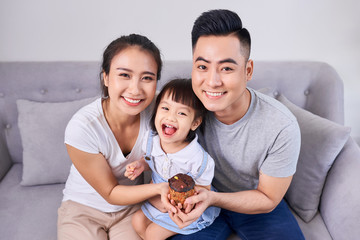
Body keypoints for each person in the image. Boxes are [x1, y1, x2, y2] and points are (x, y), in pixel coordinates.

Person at [169, 9, 305, 240]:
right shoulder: (182, 108)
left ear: (248, 70)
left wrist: (213, 198)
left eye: (227, 68)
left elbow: (268, 198)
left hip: (254, 201)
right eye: (202, 67)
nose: (212, 82)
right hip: (198, 199)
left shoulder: (281, 126)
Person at [57, 34, 175, 240]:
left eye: (147, 78)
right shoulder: (83, 127)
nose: (135, 89)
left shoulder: (161, 111)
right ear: (106, 77)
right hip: (83, 210)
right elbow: (110, 192)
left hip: (131, 208)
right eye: (124, 75)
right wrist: (158, 189)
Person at [124, 78, 220, 240]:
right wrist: (141, 165)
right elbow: (150, 161)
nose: (171, 117)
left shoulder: (198, 159)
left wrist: (183, 206)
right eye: (165, 108)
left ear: (195, 123)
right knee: (137, 221)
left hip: (182, 210)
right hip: (156, 200)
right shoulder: (151, 140)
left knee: (153, 234)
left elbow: (204, 190)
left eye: (181, 113)